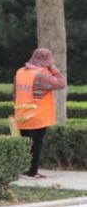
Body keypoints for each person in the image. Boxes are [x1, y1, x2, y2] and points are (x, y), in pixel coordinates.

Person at [14, 47, 65, 179]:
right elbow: (61, 83)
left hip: (21, 114)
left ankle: (22, 169)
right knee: (36, 144)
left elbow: (15, 92)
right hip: (37, 115)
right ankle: (32, 172)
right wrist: (53, 68)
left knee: (25, 144)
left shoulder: (20, 72)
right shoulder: (42, 74)